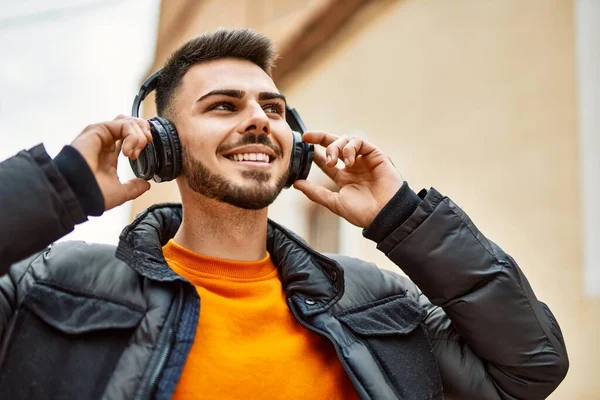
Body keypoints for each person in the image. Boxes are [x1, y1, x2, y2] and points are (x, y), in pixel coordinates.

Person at [0, 29, 568, 400]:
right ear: (161, 147)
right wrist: (58, 189)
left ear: (293, 145)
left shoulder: (378, 301)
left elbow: (531, 368)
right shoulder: (49, 287)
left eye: (272, 108)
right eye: (223, 105)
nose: (259, 120)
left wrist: (402, 218)